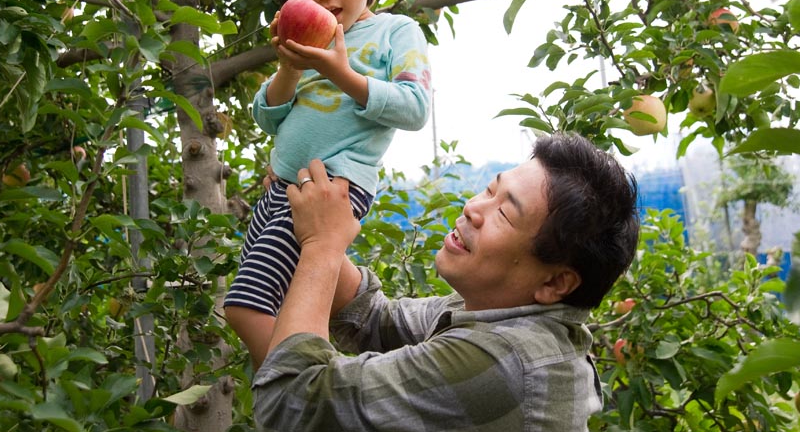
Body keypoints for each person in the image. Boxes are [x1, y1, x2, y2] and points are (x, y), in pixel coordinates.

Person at [248, 132, 640, 431]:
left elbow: (291, 402)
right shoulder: (492, 311)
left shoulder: (506, 362)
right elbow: (372, 316)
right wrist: (309, 210)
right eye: (490, 190)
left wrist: (322, 245)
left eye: (505, 214)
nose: (472, 208)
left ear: (555, 283)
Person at [223, 0, 432, 368]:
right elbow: (268, 116)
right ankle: (316, 382)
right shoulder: (308, 43)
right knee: (282, 302)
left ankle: (307, 398)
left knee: (245, 306)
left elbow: (415, 108)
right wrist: (288, 69)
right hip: (281, 188)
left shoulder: (396, 31)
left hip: (330, 187)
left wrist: (342, 73)